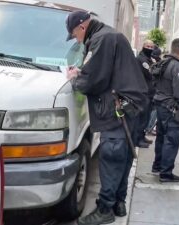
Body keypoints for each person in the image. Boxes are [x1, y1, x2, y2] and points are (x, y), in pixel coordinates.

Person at [65, 11, 148, 225]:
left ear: (82, 27)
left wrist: (75, 79)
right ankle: (118, 203)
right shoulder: (109, 36)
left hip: (119, 109)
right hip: (131, 107)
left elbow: (94, 79)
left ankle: (104, 210)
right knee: (123, 157)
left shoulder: (101, 39)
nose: (76, 39)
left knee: (111, 157)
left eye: (74, 35)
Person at [151, 38, 179, 182]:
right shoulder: (177, 67)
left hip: (160, 104)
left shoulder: (163, 63)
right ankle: (166, 173)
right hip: (171, 108)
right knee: (172, 139)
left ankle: (157, 166)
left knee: (161, 137)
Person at [136, 40, 156, 148]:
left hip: (149, 92)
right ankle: (138, 139)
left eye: (152, 47)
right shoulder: (141, 59)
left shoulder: (148, 59)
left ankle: (142, 136)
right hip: (143, 93)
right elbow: (150, 73)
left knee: (147, 117)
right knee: (142, 118)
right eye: (148, 46)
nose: (150, 48)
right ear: (143, 46)